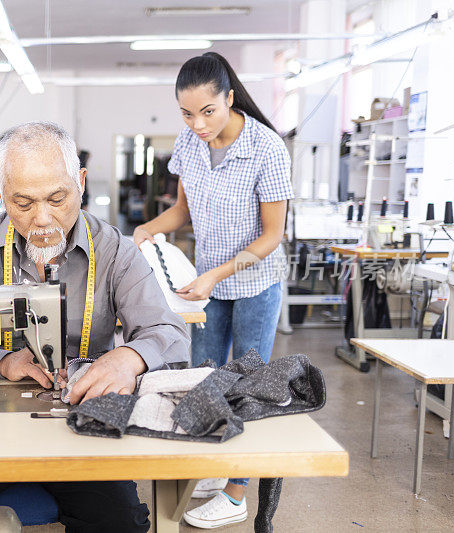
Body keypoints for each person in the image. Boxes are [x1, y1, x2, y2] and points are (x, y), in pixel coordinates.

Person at [0, 121, 191, 532]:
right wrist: (1, 362)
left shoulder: (115, 251)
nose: (42, 219)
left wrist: (128, 358)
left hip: (77, 425)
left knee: (122, 523)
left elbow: (170, 335)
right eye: (23, 203)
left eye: (58, 198)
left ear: (80, 183)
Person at [133, 52, 293, 529]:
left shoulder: (266, 149)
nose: (197, 123)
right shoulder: (189, 143)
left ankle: (237, 490)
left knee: (246, 382)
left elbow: (271, 236)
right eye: (186, 113)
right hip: (204, 284)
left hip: (254, 282)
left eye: (208, 111)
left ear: (229, 98)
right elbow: (182, 213)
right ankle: (208, 463)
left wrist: (215, 275)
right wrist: (146, 229)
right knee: (200, 375)